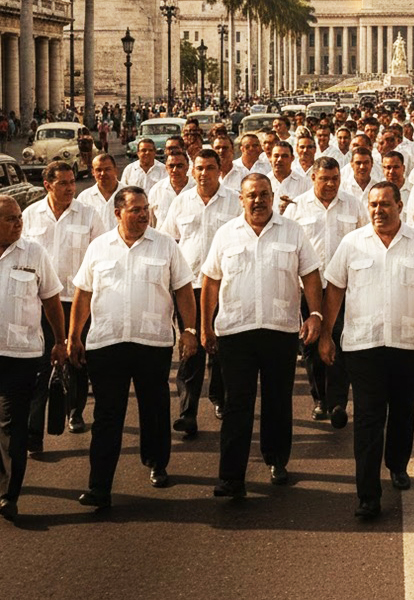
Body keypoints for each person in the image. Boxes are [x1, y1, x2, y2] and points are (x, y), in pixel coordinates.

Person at [319, 182, 414, 519]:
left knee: (402, 411)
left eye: (385, 204)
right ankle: (368, 495)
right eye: (373, 205)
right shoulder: (352, 244)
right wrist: (326, 333)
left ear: (400, 205)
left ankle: (397, 464)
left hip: (407, 344)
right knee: (367, 417)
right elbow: (335, 288)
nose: (379, 210)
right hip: (363, 345)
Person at [70, 186, 197, 509]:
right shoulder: (99, 248)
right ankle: (99, 487)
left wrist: (190, 331)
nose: (143, 215)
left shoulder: (165, 245)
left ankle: (157, 463)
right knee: (107, 416)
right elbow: (83, 293)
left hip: (151, 342)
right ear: (118, 214)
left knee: (154, 408)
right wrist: (73, 336)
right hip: (106, 342)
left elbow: (183, 288)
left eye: (146, 209)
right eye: (136, 210)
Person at [201, 174, 323, 498]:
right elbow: (210, 281)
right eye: (251, 195)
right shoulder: (226, 234)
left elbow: (310, 274)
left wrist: (315, 314)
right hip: (235, 332)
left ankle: (276, 460)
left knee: (277, 401)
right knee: (237, 404)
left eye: (264, 194)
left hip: (279, 329)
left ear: (273, 196)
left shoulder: (292, 231)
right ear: (240, 199)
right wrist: (203, 326)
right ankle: (231, 477)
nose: (258, 200)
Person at [22, 161, 103, 452]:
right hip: (39, 301)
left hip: (77, 299)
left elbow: (100, 257)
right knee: (41, 364)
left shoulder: (89, 215)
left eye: (72, 182)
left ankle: (75, 411)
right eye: (63, 183)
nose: (71, 188)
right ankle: (34, 432)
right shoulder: (31, 215)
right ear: (47, 185)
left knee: (77, 358)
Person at [160, 149, 241, 437]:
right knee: (191, 348)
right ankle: (187, 412)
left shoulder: (234, 201)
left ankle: (218, 397)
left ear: (220, 170)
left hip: (225, 284)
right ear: (193, 172)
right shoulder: (181, 203)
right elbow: (168, 240)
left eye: (210, 167)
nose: (204, 173)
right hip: (190, 287)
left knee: (220, 347)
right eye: (199, 168)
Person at [284, 157, 368, 425]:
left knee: (340, 341)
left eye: (335, 179)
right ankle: (319, 398)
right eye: (325, 179)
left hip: (344, 288)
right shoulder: (297, 208)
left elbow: (367, 239)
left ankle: (337, 402)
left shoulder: (353, 204)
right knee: (310, 345)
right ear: (313, 179)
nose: (331, 184)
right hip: (309, 288)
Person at [0, 196, 66, 521]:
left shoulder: (34, 253)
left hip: (21, 355)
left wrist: (61, 342)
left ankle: (8, 494)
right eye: (10, 218)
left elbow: (52, 300)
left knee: (13, 426)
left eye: (19, 217)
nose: (18, 223)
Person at [77, 153, 124, 231]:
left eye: (107, 169)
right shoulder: (84, 198)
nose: (103, 173)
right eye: (98, 170)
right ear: (93, 172)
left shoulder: (129, 194)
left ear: (116, 170)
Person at [149, 151, 196, 228]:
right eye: (171, 166)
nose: (175, 170)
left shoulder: (196, 188)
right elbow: (151, 224)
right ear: (166, 167)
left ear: (187, 167)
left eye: (179, 166)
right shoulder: (156, 191)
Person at [267, 141, 312, 215]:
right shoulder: (263, 182)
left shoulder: (304, 184)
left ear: (292, 158)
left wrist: (292, 209)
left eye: (284, 156)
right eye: (276, 156)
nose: (279, 160)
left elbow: (310, 211)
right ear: (270, 158)